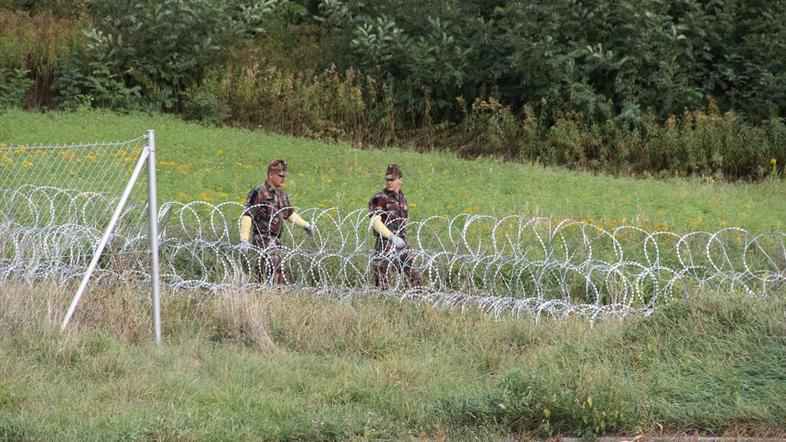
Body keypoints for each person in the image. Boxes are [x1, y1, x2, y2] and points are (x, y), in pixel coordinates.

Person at [239, 159, 314, 284]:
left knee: (273, 270)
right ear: (271, 175)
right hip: (262, 238)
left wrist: (305, 225)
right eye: (280, 176)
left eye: (284, 176)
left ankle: (264, 293)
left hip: (276, 239)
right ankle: (271, 293)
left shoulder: (281, 194)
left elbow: (289, 214)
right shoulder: (259, 192)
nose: (283, 179)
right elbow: (248, 215)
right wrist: (244, 239)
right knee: (274, 267)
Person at [368, 163, 422, 289]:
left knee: (415, 277)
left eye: (392, 179)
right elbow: (375, 222)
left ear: (400, 180)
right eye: (387, 179)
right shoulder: (379, 197)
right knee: (383, 282)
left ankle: (414, 303)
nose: (389, 182)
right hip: (386, 244)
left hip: (401, 242)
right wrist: (392, 237)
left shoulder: (402, 198)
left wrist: (399, 239)